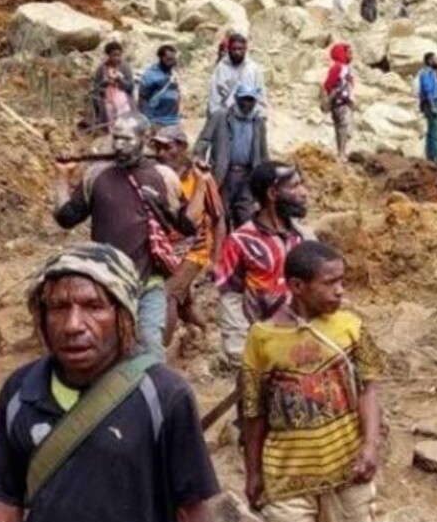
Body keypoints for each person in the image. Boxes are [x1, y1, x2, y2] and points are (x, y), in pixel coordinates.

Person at [0, 243, 226, 522]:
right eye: (59, 308)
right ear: (41, 316)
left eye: (94, 307)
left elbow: (190, 509)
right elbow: (4, 495)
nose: (74, 324)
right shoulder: (20, 392)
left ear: (123, 315)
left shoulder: (163, 395)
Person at [241, 240, 385, 522]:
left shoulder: (350, 327)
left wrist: (370, 445)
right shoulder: (262, 338)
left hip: (347, 471)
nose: (340, 290)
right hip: (286, 478)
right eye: (330, 282)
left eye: (342, 281)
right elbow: (253, 412)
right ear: (297, 286)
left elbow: (368, 388)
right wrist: (253, 472)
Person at [53, 114, 194, 360]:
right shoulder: (95, 175)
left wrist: (201, 184)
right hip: (106, 284)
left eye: (126, 139)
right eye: (116, 138)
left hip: (148, 283)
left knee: (150, 347)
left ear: (145, 139)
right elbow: (66, 218)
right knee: (109, 351)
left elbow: (186, 224)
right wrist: (63, 177)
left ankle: (151, 396)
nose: (119, 145)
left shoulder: (163, 177)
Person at [214, 162, 310, 364]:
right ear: (272, 194)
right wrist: (239, 353)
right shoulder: (240, 242)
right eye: (294, 186)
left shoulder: (304, 237)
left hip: (306, 344)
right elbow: (230, 299)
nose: (304, 193)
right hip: (264, 350)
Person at [152, 126, 226, 349]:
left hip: (195, 249)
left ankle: (159, 351)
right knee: (183, 301)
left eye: (167, 147)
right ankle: (202, 333)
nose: (161, 152)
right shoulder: (156, 174)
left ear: (182, 147)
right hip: (166, 249)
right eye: (157, 147)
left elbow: (218, 217)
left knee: (167, 295)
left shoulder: (200, 176)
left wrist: (216, 259)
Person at [195, 85, 270, 229]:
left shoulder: (258, 122)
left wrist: (265, 176)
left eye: (251, 100)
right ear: (236, 98)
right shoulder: (221, 116)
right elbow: (204, 140)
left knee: (245, 214)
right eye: (244, 99)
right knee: (221, 213)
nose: (247, 104)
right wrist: (199, 159)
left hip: (248, 175)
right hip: (224, 173)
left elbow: (263, 151)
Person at [207, 34, 265, 118]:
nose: (237, 52)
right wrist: (216, 117)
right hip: (225, 117)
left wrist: (261, 115)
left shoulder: (253, 69)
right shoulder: (221, 68)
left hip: (248, 117)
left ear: (245, 49)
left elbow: (260, 95)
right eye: (234, 49)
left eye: (240, 49)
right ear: (229, 49)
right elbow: (214, 96)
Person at [89, 42, 135, 133]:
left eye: (119, 55)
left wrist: (120, 80)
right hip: (108, 102)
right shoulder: (101, 69)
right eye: (114, 55)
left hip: (123, 102)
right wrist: (104, 83)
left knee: (124, 125)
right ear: (108, 55)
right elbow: (95, 88)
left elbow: (130, 86)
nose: (116, 58)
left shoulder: (125, 67)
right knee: (111, 126)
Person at [323, 42, 356, 160]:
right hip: (339, 101)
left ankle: (341, 152)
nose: (352, 56)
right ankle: (341, 153)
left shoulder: (345, 67)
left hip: (344, 101)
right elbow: (328, 84)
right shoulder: (338, 67)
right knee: (342, 126)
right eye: (349, 53)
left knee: (341, 126)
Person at [139, 44, 182, 127]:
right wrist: (144, 119)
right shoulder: (150, 74)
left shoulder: (173, 73)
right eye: (169, 59)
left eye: (173, 59)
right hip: (156, 121)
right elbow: (142, 97)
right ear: (161, 58)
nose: (172, 62)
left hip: (173, 120)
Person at [417, 52, 437, 163]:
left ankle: (430, 156)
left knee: (431, 131)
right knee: (435, 131)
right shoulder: (426, 73)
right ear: (430, 61)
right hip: (432, 103)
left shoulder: (431, 72)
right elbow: (428, 90)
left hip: (431, 102)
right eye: (436, 58)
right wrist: (433, 106)